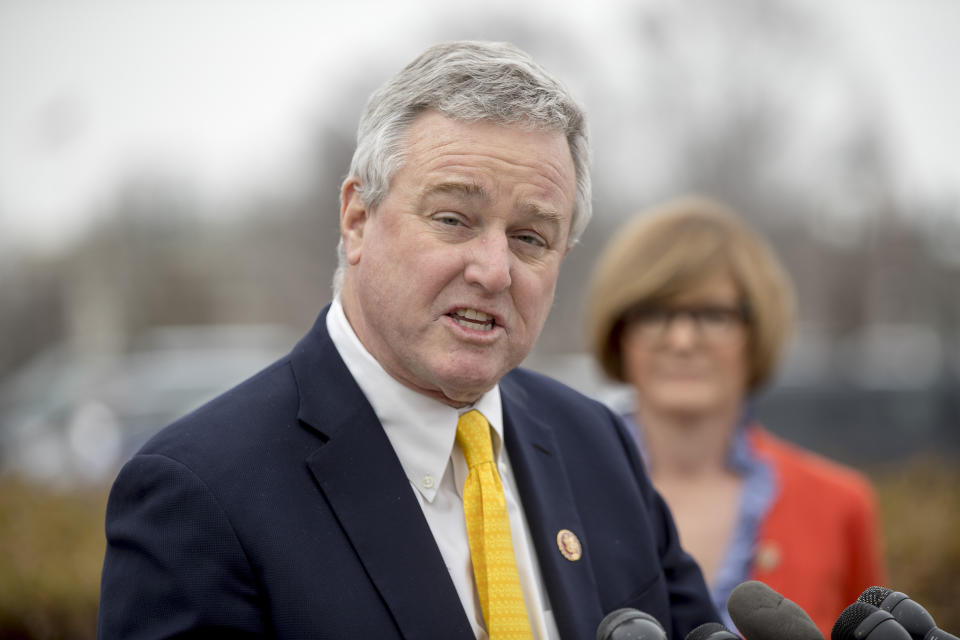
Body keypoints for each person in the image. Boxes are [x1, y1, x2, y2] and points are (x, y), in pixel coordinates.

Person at [98, 42, 719, 639]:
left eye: (531, 237)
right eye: (453, 219)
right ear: (357, 220)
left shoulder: (598, 442)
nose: (493, 270)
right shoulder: (200, 492)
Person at [586, 196, 887, 634]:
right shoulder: (558, 490)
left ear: (756, 328)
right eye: (654, 313)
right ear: (618, 329)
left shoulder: (841, 506)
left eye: (712, 314)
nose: (683, 340)